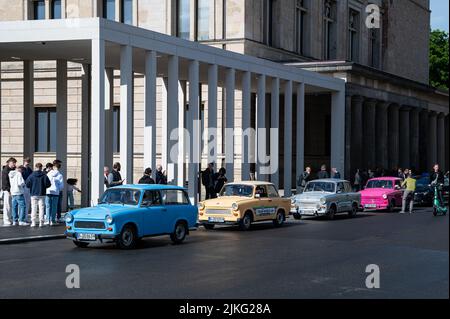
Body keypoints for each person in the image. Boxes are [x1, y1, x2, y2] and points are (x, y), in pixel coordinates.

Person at [25, 163, 51, 227]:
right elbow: (48, 184)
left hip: (33, 193)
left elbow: (27, 184)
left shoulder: (31, 175)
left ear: (35, 167)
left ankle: (33, 222)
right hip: (42, 193)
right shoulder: (44, 175)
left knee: (33, 208)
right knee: (41, 208)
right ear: (41, 168)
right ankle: (41, 222)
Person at [46, 162, 64, 226]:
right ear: (59, 168)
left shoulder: (49, 173)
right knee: (54, 207)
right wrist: (58, 189)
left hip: (48, 191)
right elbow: (61, 186)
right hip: (55, 192)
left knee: (48, 206)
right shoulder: (60, 175)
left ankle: (47, 220)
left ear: (53, 167)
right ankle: (52, 220)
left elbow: (46, 182)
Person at [1, 158, 17, 226]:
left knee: (10, 205)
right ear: (9, 162)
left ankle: (9, 218)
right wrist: (8, 190)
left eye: (15, 163)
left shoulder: (12, 169)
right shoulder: (5, 170)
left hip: (11, 189)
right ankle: (6, 219)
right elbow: (5, 182)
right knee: (7, 205)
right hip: (7, 190)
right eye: (13, 163)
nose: (14, 164)